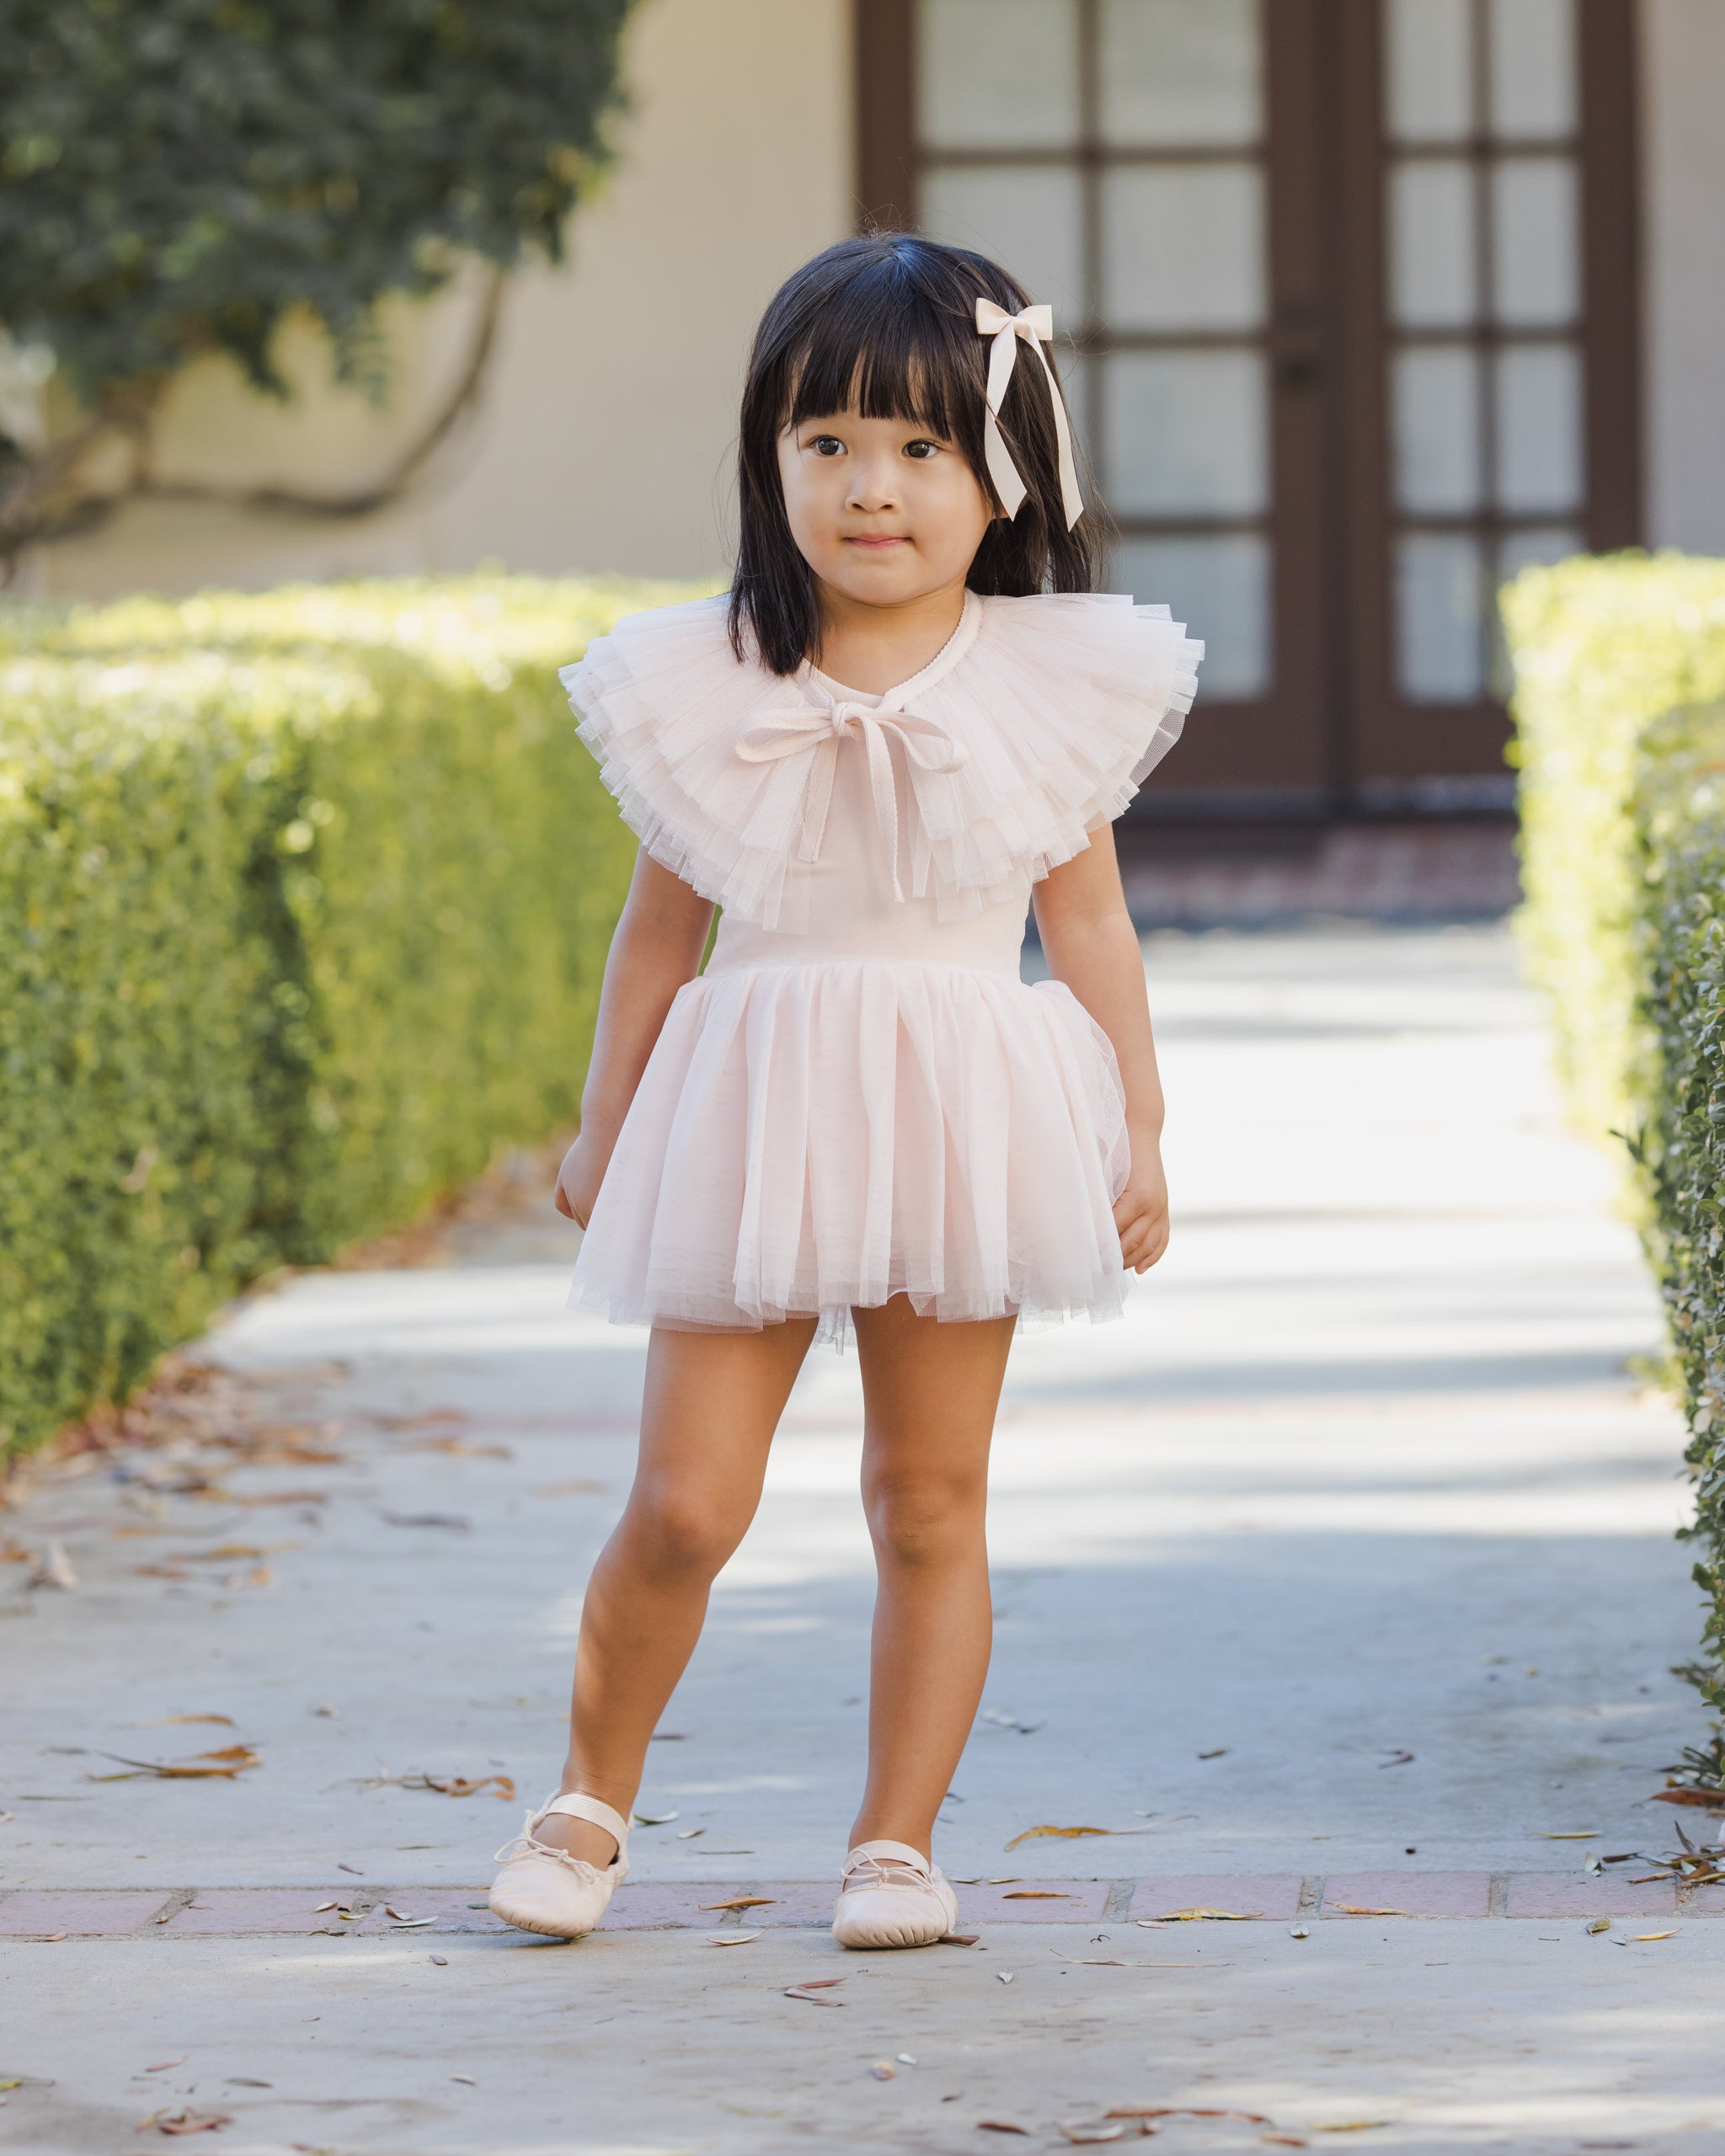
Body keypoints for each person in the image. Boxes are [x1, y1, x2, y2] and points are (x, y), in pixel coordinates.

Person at [489, 233, 1200, 1950]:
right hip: (753, 1106)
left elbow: (1087, 923)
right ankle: (584, 1803)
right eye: (828, 442)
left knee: (929, 1501)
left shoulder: (1043, 682)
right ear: (773, 459)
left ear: (1000, 470)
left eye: (920, 446)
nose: (872, 486)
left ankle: (897, 1841)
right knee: (685, 1502)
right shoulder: (715, 673)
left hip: (960, 1107)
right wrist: (604, 1122)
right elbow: (657, 937)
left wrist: (1140, 1124)